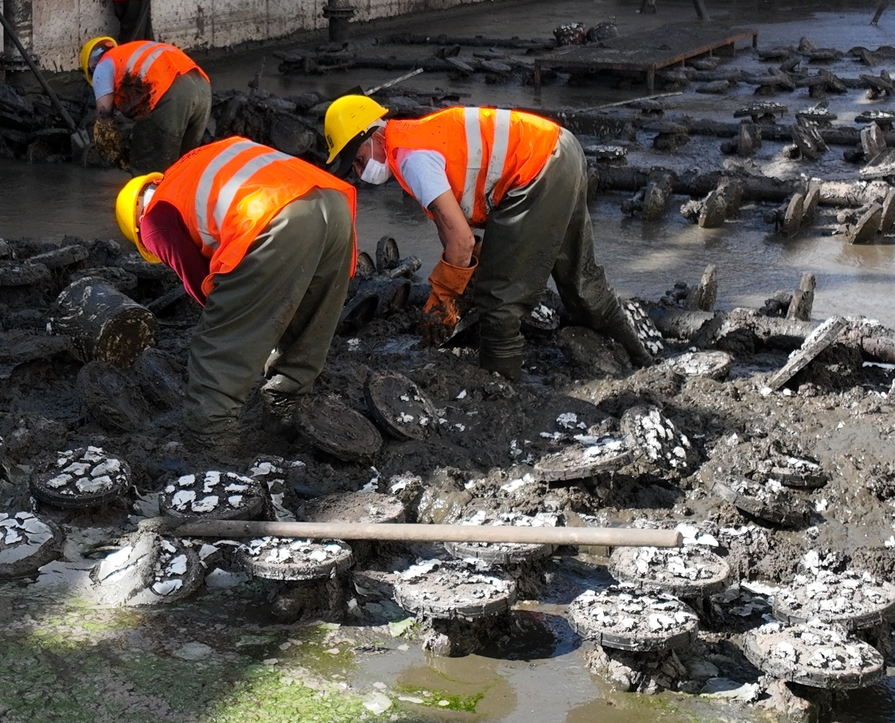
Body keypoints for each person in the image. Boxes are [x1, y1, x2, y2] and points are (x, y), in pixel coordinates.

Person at [322, 96, 652, 382]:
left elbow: (462, 241)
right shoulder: (414, 139)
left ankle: (500, 388)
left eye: (359, 159)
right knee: (581, 282)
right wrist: (471, 271)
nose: (360, 170)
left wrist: (444, 296)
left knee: (499, 303)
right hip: (559, 149)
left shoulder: (412, 158)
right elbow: (449, 228)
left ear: (373, 135)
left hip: (536, 170)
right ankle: (644, 361)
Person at [116, 139, 356, 461]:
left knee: (216, 346)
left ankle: (209, 439)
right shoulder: (192, 167)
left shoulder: (154, 218)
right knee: (309, 317)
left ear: (135, 220)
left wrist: (245, 325)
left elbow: (204, 286)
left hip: (274, 216)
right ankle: (288, 402)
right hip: (332, 204)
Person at [81, 35, 214, 170]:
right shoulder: (129, 52)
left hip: (170, 91)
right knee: (185, 165)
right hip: (202, 87)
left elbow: (104, 115)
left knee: (150, 166)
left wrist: (109, 149)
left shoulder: (102, 66)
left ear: (91, 66)